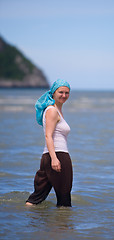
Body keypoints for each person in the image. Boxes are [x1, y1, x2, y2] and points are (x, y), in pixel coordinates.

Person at [26, 79, 73, 207]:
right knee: (64, 199)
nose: (64, 95)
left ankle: (27, 219)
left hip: (49, 156)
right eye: (61, 92)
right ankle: (62, 226)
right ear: (53, 93)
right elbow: (48, 136)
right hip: (57, 156)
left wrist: (51, 158)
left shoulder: (55, 110)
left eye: (67, 93)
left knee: (37, 197)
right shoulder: (52, 111)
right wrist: (54, 159)